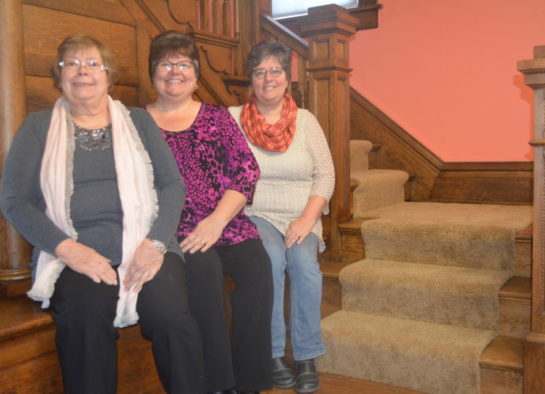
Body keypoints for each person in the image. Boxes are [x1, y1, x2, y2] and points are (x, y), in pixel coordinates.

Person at [0, 35, 207, 394]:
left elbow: (173, 185)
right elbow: (14, 200)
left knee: (171, 316)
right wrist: (67, 249)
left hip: (146, 244)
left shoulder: (139, 122)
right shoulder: (37, 127)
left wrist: (156, 242)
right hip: (76, 252)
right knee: (84, 317)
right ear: (59, 75)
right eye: (72, 64)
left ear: (108, 75)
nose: (83, 70)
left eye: (93, 63)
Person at [145, 31, 273, 394]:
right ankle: (218, 382)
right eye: (165, 63)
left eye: (183, 64)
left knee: (258, 270)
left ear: (196, 74)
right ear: (152, 72)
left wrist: (217, 221)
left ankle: (249, 380)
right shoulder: (136, 122)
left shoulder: (216, 116)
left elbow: (247, 171)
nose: (175, 71)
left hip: (224, 220)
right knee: (205, 272)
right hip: (174, 227)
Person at [228, 41, 335, 394]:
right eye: (260, 72)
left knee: (304, 265)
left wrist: (306, 220)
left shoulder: (306, 122)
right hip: (254, 211)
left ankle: (305, 354)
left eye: (275, 70)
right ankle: (272, 352)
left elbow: (326, 175)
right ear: (251, 80)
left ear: (287, 79)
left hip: (301, 214)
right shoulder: (232, 119)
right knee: (270, 259)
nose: (268, 78)